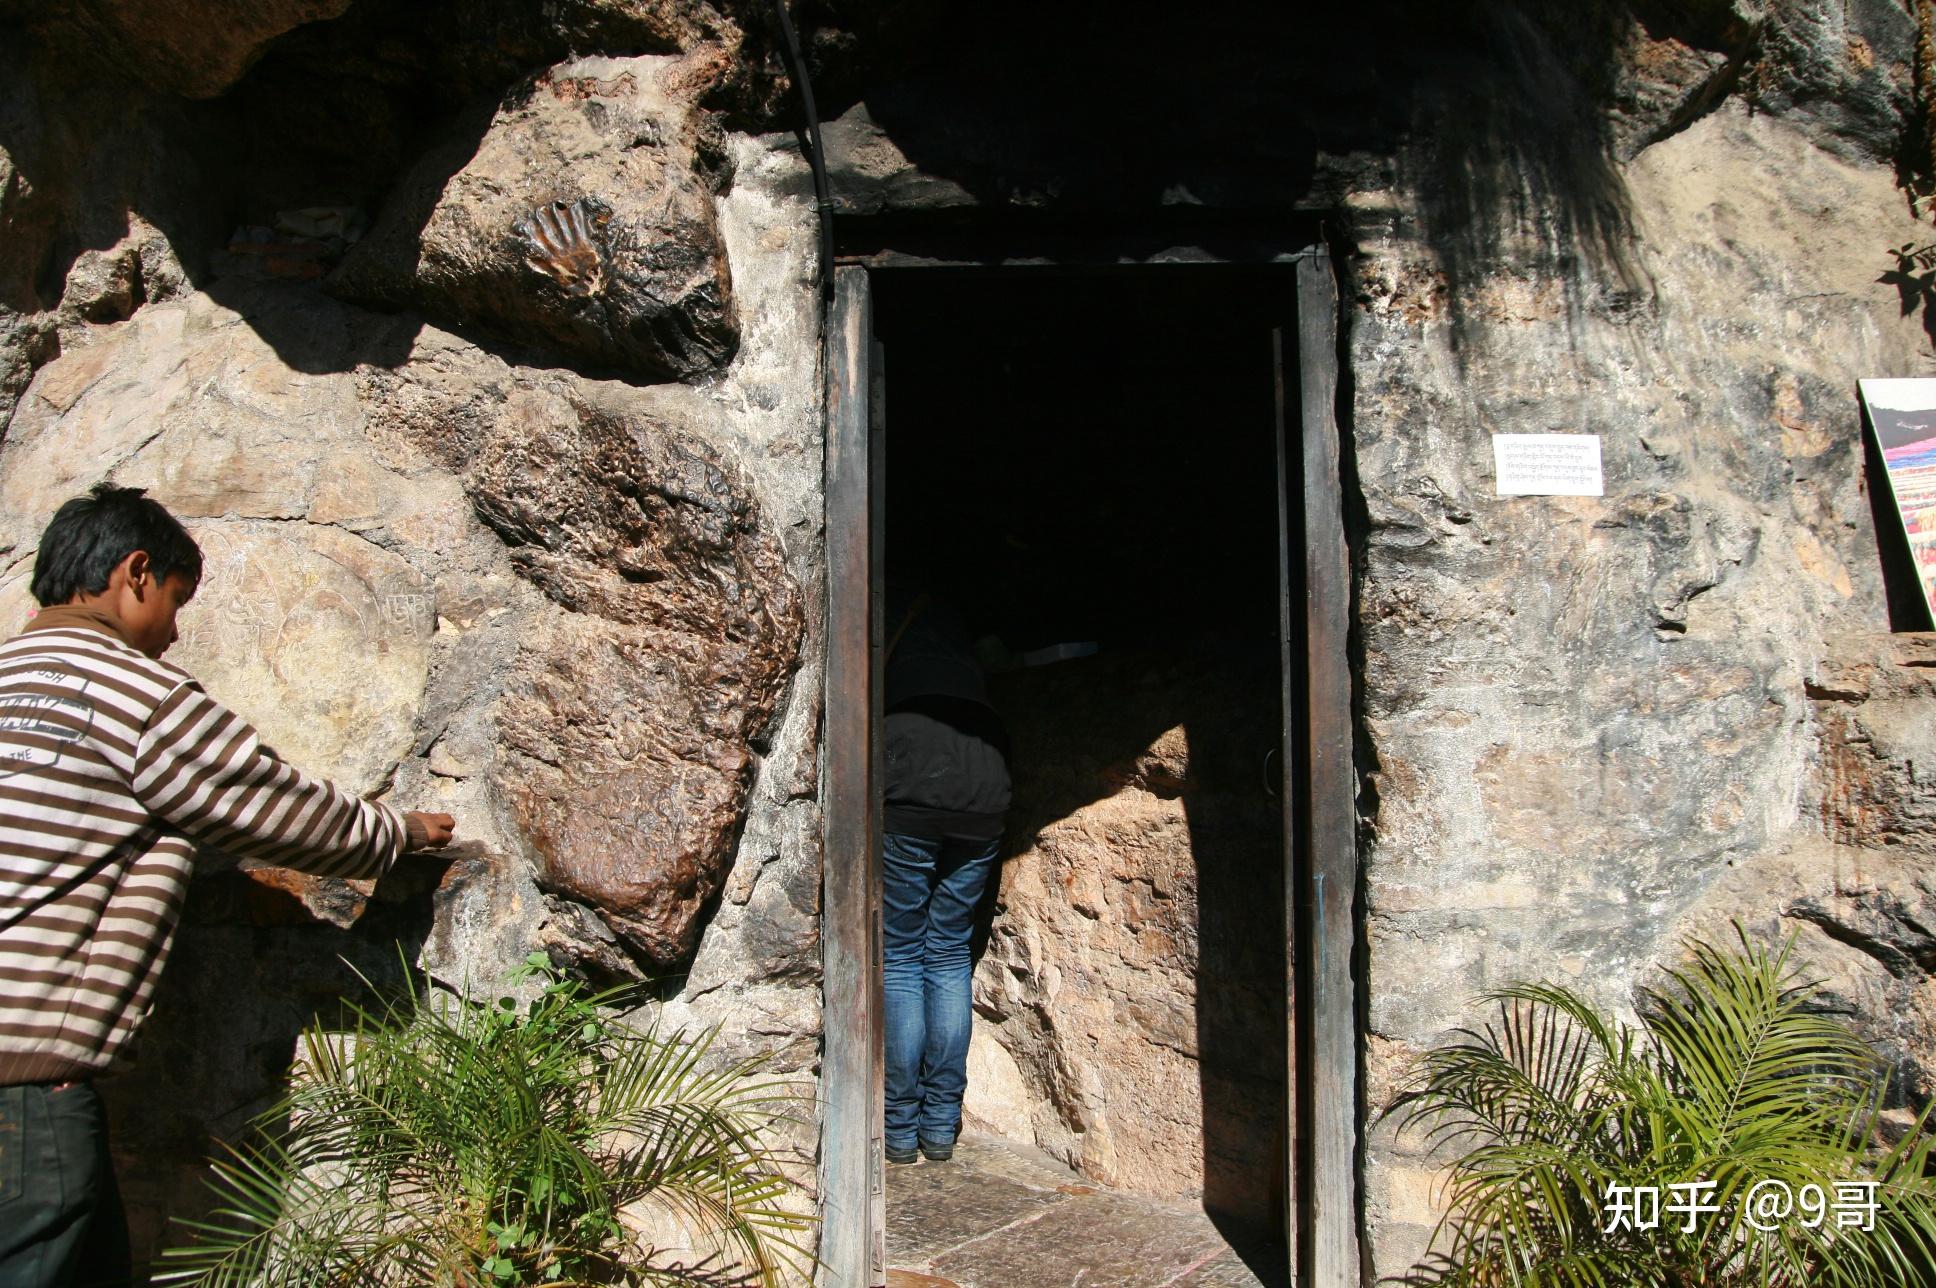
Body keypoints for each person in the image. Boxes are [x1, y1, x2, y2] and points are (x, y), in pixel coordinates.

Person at [0, 484, 457, 1287]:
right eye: (176, 603)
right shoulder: (130, 692)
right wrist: (395, 833)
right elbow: (262, 801)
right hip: (24, 1096)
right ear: (135, 573)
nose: (174, 636)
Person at [881, 593, 1011, 1165]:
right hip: (986, 783)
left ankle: (899, 1126)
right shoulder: (968, 621)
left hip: (912, 774)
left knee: (904, 955)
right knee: (950, 953)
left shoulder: (887, 609)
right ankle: (940, 1126)